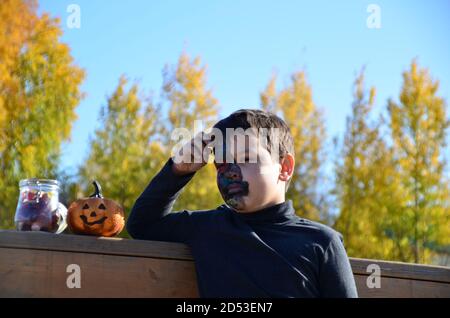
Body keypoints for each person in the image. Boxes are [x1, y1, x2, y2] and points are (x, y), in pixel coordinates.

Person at [127, 109, 358, 298]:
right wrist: (178, 171)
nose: (231, 172)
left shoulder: (321, 242)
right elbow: (142, 224)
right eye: (221, 164)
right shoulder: (207, 228)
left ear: (285, 168)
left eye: (247, 159)